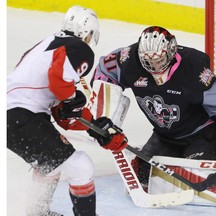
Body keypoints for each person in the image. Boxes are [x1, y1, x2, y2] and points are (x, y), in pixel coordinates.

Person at [92, 26, 216, 211]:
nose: (154, 67)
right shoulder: (129, 61)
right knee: (145, 177)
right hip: (164, 135)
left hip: (202, 134)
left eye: (159, 61)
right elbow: (104, 71)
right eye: (148, 62)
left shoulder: (192, 72)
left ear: (171, 51)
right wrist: (104, 120)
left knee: (196, 182)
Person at [7, 6, 127, 216]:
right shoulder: (78, 48)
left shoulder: (48, 45)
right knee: (81, 166)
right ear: (88, 33)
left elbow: (63, 115)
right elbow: (59, 82)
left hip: (14, 117)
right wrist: (71, 99)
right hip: (22, 116)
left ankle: (37, 212)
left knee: (49, 165)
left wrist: (96, 129)